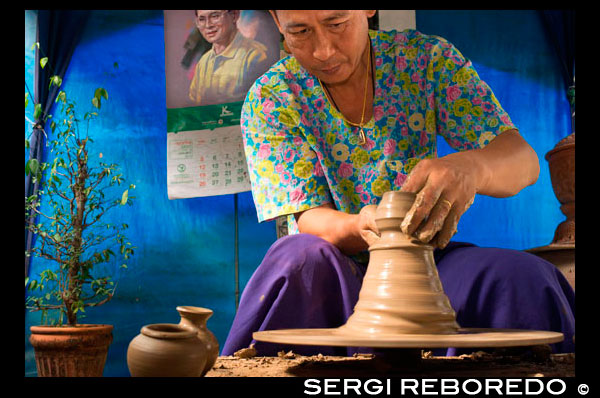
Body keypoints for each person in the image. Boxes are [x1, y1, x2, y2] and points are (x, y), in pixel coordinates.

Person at [222, 10, 575, 357]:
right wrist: (364, 225)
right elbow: (310, 218)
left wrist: (473, 166)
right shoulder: (272, 97)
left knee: (522, 278)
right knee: (296, 259)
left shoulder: (424, 60)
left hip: (427, 261)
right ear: (277, 20)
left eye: (336, 23)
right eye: (300, 32)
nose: (324, 50)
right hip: (332, 268)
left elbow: (523, 161)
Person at [189, 10, 270, 105]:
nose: (208, 25)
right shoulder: (203, 62)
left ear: (234, 15)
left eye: (215, 16)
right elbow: (195, 105)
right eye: (202, 19)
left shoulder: (255, 55)